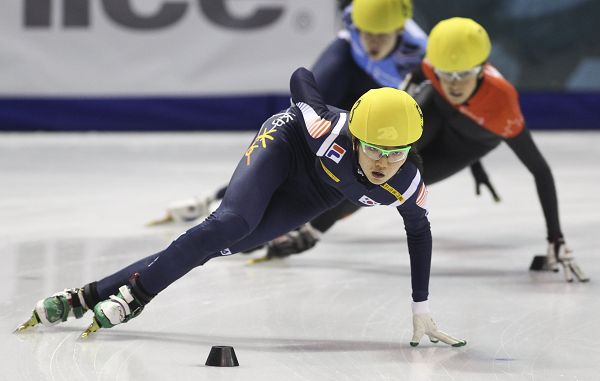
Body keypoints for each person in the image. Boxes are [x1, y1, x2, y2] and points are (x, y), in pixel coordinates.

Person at [15, 68, 466, 347]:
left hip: (315, 193)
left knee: (225, 244)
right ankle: (137, 296)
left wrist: (419, 308)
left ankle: (86, 295)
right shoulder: (323, 126)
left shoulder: (405, 185)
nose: (385, 163)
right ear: (354, 139)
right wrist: (312, 108)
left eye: (397, 152)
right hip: (287, 146)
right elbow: (301, 75)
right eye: (374, 150)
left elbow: (419, 233)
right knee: (230, 221)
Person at [153, 0, 496, 246]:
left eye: (381, 35)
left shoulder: (422, 56)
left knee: (369, 155)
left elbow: (443, 109)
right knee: (304, 121)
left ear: (398, 30)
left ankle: (264, 208)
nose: (373, 42)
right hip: (352, 74)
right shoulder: (351, 40)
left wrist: (472, 158)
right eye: (367, 33)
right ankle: (224, 196)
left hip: (379, 98)